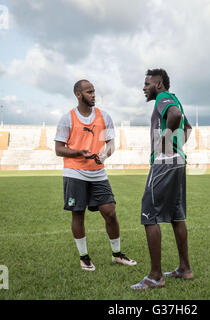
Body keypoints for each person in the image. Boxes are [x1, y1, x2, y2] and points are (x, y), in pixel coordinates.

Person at [55, 79, 137, 271]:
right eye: (89, 92)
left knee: (110, 212)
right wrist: (78, 152)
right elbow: (59, 149)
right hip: (74, 172)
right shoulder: (67, 118)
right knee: (78, 214)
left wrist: (104, 155)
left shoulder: (104, 116)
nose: (93, 95)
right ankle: (84, 257)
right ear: (78, 94)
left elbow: (110, 144)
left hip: (98, 173)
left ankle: (117, 254)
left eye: (94, 91)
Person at [131, 69, 193, 290]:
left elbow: (175, 117)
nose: (144, 87)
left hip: (165, 162)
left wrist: (166, 146)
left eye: (147, 83)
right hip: (178, 160)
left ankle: (155, 276)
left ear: (158, 84)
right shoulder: (175, 98)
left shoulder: (163, 98)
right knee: (176, 215)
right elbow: (187, 127)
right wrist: (176, 147)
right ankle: (185, 268)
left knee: (149, 213)